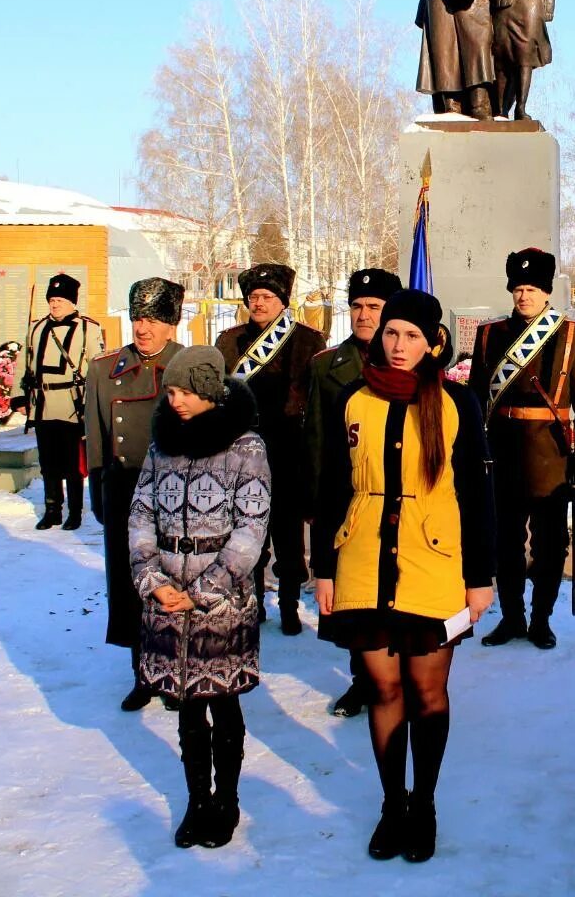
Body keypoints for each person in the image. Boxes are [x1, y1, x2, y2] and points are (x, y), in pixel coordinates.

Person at [312, 290, 495, 863]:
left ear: (432, 342)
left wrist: (480, 576)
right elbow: (332, 486)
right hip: (362, 561)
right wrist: (322, 568)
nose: (398, 346)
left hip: (434, 563)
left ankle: (425, 802)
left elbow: (477, 494)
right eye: (391, 333)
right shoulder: (353, 398)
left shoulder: (457, 403)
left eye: (412, 336)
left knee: (426, 690)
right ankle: (393, 804)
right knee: (383, 688)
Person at [129, 345, 269, 850]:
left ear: (209, 391)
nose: (176, 400)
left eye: (185, 391)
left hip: (220, 601)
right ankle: (196, 800)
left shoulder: (245, 447)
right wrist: (151, 579)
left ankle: (226, 800)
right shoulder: (161, 443)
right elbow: (140, 513)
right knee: (186, 710)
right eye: (170, 391)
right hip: (166, 597)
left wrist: (206, 590)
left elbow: (252, 528)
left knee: (223, 706)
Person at [468, 248, 575, 650]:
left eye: (531, 289)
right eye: (518, 288)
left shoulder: (572, 334)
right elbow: (477, 395)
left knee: (549, 545)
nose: (523, 296)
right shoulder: (490, 334)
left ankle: (541, 619)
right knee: (505, 542)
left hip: (551, 455)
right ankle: (512, 618)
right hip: (503, 452)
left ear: (546, 293)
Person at [302, 267, 403, 718]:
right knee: (353, 595)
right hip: (348, 497)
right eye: (358, 307)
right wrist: (317, 498)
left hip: (399, 495)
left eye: (374, 307)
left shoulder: (405, 360)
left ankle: (400, 672)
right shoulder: (328, 365)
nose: (364, 315)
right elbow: (318, 437)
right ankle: (363, 679)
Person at [85, 277, 184, 712]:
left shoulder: (191, 366)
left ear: (171, 325)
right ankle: (143, 673)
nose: (143, 328)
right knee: (130, 584)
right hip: (125, 488)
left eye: (154, 320)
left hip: (177, 490)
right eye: (138, 318)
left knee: (176, 581)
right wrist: (99, 492)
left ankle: (179, 672)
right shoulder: (103, 370)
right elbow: (95, 438)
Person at [214, 263, 327, 636]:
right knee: (248, 531)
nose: (259, 303)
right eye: (253, 297)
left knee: (288, 534)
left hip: (288, 449)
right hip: (244, 450)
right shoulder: (229, 342)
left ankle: (290, 604)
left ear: (283, 301)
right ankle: (255, 601)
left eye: (267, 297)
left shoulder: (309, 342)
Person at [11, 273, 105, 531]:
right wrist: (18, 396)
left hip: (73, 405)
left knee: (73, 464)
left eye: (60, 300)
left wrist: (94, 403)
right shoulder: (37, 328)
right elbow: (23, 364)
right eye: (52, 300)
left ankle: (74, 511)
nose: (55, 305)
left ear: (72, 302)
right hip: (42, 404)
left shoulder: (89, 329)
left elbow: (97, 368)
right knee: (48, 463)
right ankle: (52, 509)